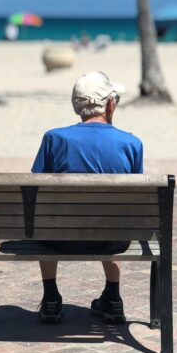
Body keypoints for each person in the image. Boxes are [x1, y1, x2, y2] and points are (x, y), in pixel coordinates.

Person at [31, 71, 143, 325]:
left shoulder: (54, 138)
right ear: (110, 104)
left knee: (45, 218)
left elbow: (36, 190)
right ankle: (113, 297)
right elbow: (133, 203)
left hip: (58, 239)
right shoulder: (131, 144)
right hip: (111, 241)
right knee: (114, 216)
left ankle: (50, 298)